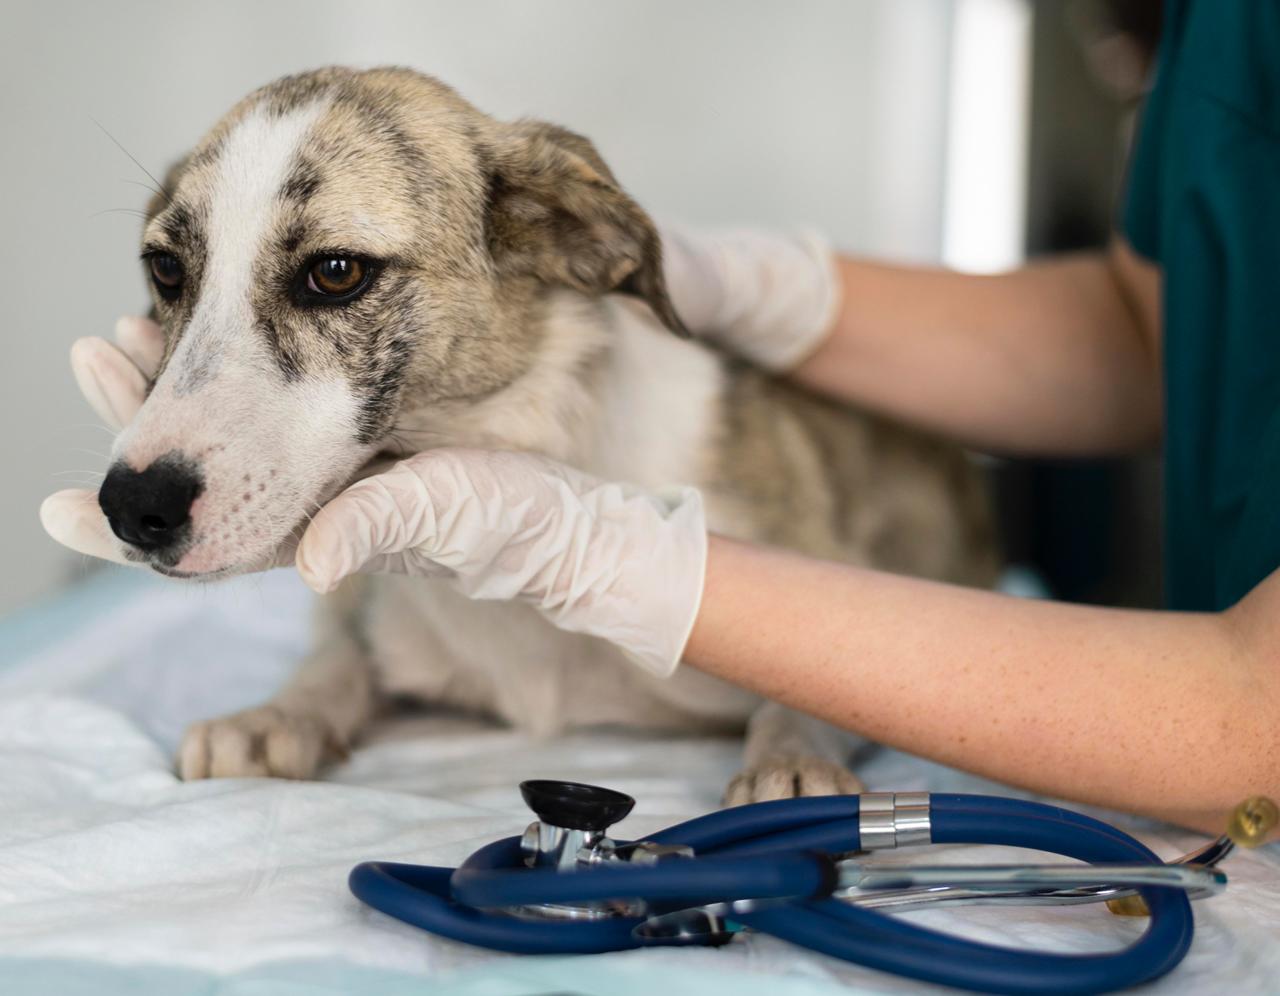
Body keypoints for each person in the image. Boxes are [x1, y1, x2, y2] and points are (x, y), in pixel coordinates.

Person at [42, 1, 1279, 837]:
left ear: (555, 240)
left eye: (330, 276)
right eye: (175, 273)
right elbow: (1158, 324)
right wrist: (785, 290)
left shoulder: (711, 444)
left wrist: (665, 600)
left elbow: (1249, 721)